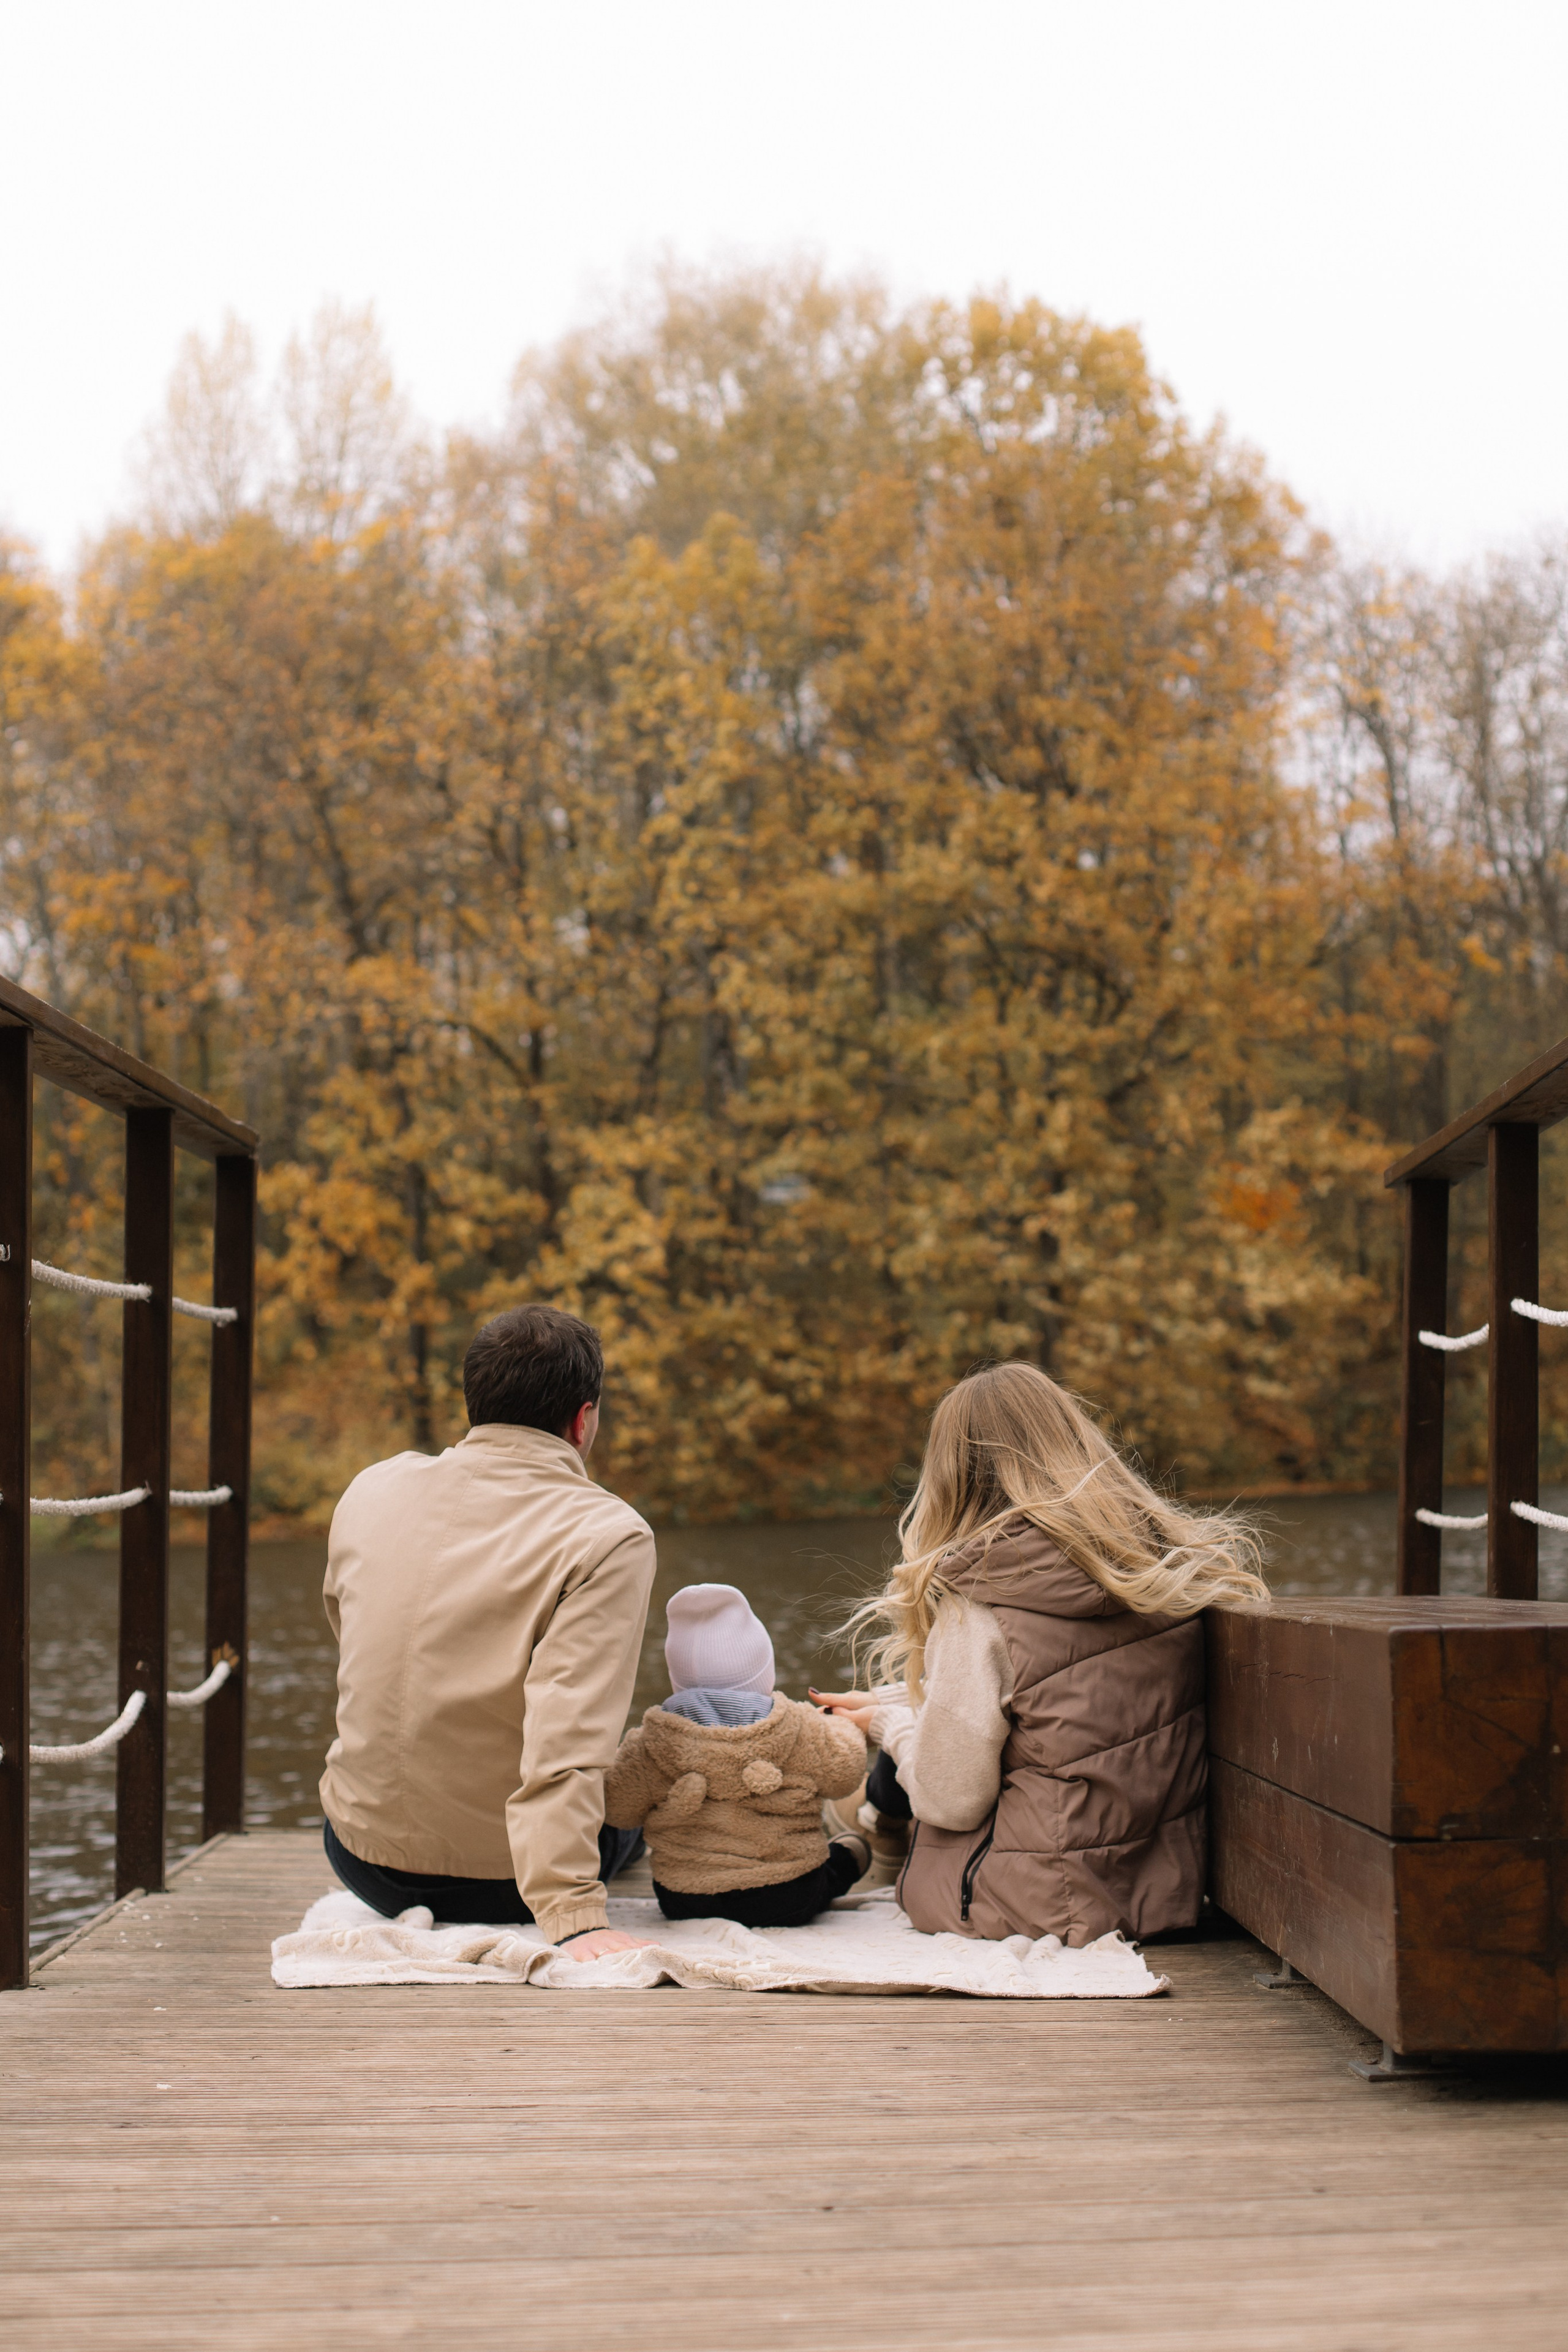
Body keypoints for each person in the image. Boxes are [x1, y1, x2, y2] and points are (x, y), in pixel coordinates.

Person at [812, 1361, 1267, 1947]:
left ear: (952, 1475)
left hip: (1033, 1908)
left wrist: (891, 1725)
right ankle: (877, 1822)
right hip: (1155, 1890)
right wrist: (897, 1700)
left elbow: (951, 1802)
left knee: (903, 1764)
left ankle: (874, 1828)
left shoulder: (983, 1600)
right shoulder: (1160, 1573)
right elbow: (1070, 1700)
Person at [318, 1303, 657, 1962]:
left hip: (362, 1859)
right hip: (511, 1887)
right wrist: (572, 1914)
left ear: (475, 1400)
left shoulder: (370, 1489)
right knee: (652, 1764)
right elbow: (570, 1732)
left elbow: (351, 1637)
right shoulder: (608, 1534)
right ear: (583, 1420)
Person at [604, 1584, 870, 1926]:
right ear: (764, 1671)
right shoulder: (801, 1727)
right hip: (790, 1893)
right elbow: (846, 1773)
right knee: (849, 1853)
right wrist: (841, 1726)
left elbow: (617, 1809)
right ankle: (850, 1858)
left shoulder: (650, 1743)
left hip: (684, 1898)